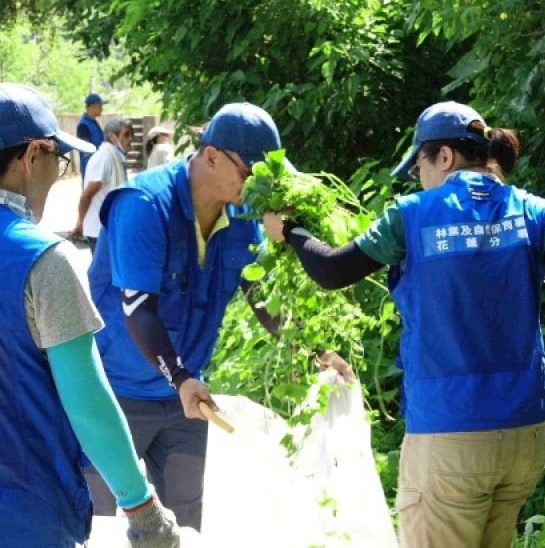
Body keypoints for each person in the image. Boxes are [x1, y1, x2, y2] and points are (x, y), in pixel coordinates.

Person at [262, 101, 545, 548]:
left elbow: (332, 271)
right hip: (525, 433)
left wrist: (291, 232)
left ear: (443, 157)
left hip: (450, 436)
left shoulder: (412, 214)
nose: (418, 178)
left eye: (419, 164)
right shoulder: (538, 211)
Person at [85, 102, 353, 531]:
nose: (258, 189)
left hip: (184, 403)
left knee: (186, 522)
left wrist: (314, 351)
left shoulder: (242, 222)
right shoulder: (144, 205)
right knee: (95, 521)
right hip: (113, 393)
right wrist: (180, 376)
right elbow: (138, 312)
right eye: (251, 175)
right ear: (211, 156)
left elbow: (262, 299)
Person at [0, 82, 179, 547]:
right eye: (60, 163)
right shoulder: (42, 260)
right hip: (25, 514)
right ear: (32, 155)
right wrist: (143, 509)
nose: (57, 175)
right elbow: (87, 402)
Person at [68, 117, 133, 251]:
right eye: (126, 134)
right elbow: (87, 195)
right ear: (112, 136)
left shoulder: (114, 156)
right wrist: (80, 224)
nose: (131, 139)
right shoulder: (104, 158)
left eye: (132, 134)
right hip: (100, 231)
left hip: (109, 229)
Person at [76, 92, 108, 180]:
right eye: (100, 106)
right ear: (93, 107)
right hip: (90, 169)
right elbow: (86, 151)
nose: (102, 108)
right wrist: (95, 168)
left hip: (97, 167)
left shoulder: (93, 122)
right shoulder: (83, 125)